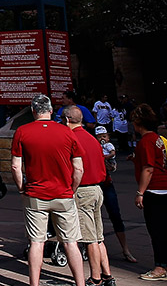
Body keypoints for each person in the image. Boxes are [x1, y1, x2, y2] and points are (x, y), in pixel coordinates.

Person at [10, 94, 86, 286]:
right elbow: (79, 168)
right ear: (51, 111)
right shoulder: (67, 132)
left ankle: (34, 283)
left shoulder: (22, 131)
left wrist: (21, 188)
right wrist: (72, 187)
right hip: (63, 193)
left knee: (37, 241)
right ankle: (80, 282)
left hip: (36, 193)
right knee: (70, 242)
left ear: (33, 111)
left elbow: (15, 166)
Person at [64, 105, 115, 286]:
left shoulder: (71, 138)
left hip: (83, 190)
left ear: (67, 120)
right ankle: (107, 274)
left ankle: (96, 278)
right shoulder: (92, 139)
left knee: (90, 238)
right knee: (98, 236)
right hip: (97, 189)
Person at [131, 103, 167, 281]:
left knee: (156, 230)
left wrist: (140, 192)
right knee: (165, 228)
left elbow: (148, 168)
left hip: (156, 190)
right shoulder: (156, 138)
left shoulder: (145, 141)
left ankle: (160, 267)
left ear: (138, 123)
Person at [95, 125, 138, 263]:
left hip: (107, 184)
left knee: (115, 215)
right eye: (99, 136)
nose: (102, 139)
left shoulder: (108, 147)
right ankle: (94, 248)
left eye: (104, 136)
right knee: (94, 217)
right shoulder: (94, 147)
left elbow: (112, 167)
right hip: (95, 184)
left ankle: (125, 249)